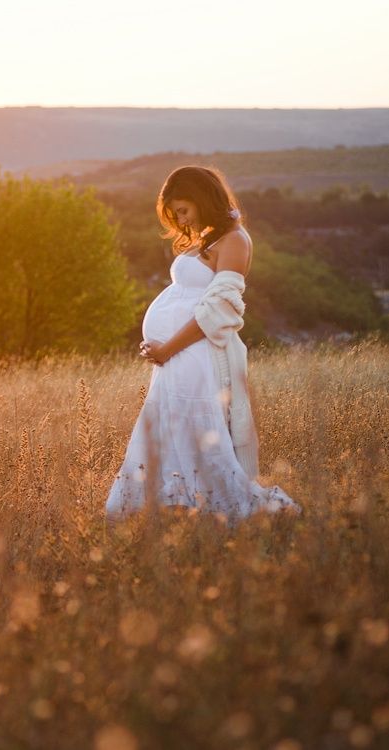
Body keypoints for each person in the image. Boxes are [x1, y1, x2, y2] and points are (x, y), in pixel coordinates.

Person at [104, 165, 302, 528]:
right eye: (175, 213)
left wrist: (168, 348)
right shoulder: (208, 238)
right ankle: (172, 507)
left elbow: (220, 309)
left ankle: (235, 507)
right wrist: (162, 348)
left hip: (197, 355)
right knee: (168, 429)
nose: (180, 219)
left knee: (200, 433)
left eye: (184, 210)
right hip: (176, 358)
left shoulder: (235, 241)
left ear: (203, 198)